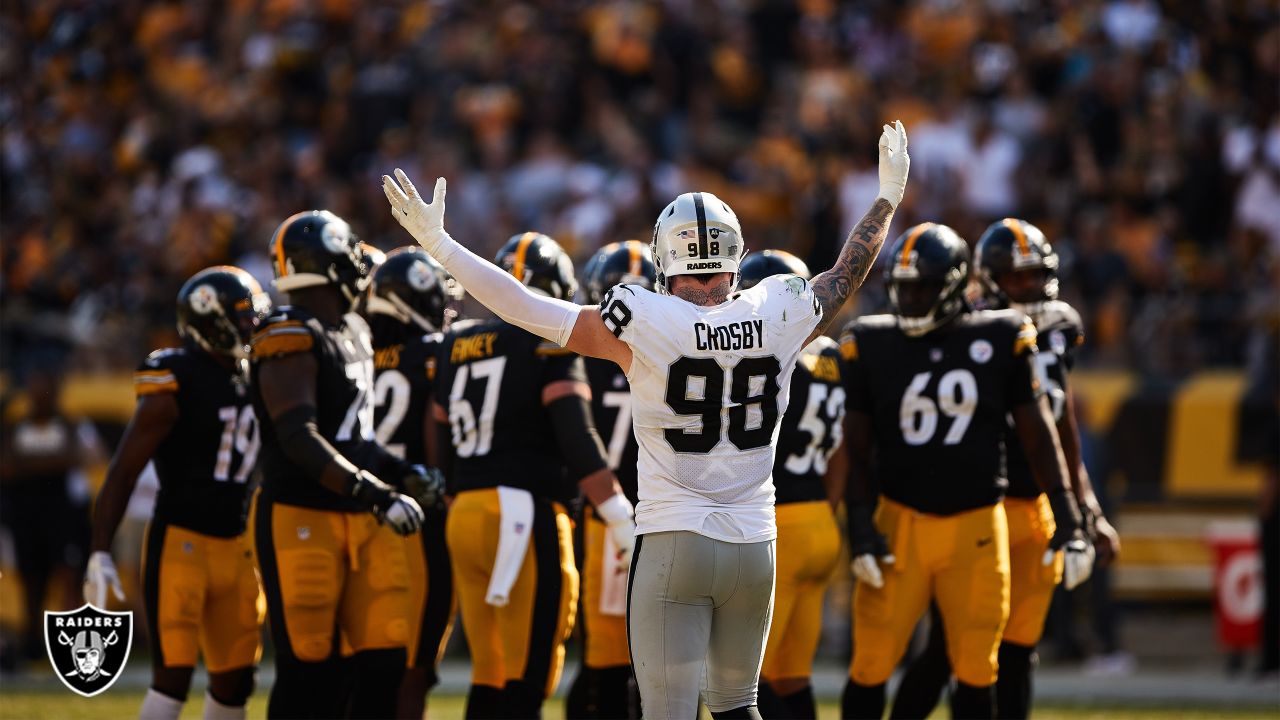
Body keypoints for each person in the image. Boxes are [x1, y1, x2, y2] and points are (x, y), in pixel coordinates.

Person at [382, 120, 911, 720]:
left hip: (674, 540)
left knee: (668, 714)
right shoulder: (780, 308)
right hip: (756, 544)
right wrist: (887, 198)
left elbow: (525, 308)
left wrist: (442, 245)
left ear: (665, 260)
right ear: (734, 258)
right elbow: (847, 272)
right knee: (740, 706)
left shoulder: (646, 318)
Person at [838, 223, 1093, 720]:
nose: (910, 299)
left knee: (979, 666)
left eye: (923, 287)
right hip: (902, 522)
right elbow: (857, 448)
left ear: (954, 284)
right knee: (872, 663)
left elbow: (1043, 430)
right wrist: (862, 529)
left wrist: (1071, 515)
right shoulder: (871, 340)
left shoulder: (1004, 336)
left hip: (980, 523)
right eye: (903, 287)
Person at [429, 231, 630, 719]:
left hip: (466, 513)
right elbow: (576, 436)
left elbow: (436, 428)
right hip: (523, 515)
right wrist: (619, 515)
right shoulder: (546, 339)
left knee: (489, 670)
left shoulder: (455, 343)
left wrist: (455, 492)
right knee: (530, 672)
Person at [249, 210, 441, 719]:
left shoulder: (353, 329)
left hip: (361, 515)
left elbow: (356, 439)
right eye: (350, 253)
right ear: (327, 262)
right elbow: (299, 438)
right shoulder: (287, 333)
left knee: (382, 663)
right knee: (309, 671)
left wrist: (403, 475)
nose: (360, 264)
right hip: (301, 515)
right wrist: (376, 492)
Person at [85, 266, 270, 720]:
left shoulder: (259, 376)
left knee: (235, 682)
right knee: (172, 679)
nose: (251, 326)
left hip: (237, 546)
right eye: (242, 317)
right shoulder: (175, 376)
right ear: (212, 320)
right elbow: (124, 470)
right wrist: (100, 550)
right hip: (181, 544)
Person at [736, 250, 845, 720]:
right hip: (820, 520)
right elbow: (845, 453)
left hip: (777, 523)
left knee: (740, 680)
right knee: (792, 674)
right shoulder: (834, 355)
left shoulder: (773, 353)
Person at [361, 246, 463, 719]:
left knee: (364, 663)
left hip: (361, 513)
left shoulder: (358, 356)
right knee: (415, 666)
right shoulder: (436, 351)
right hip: (418, 519)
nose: (444, 310)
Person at [566, 240, 655, 720]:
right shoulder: (673, 354)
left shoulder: (586, 359)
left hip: (608, 518)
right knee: (663, 661)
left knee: (607, 665)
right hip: (661, 514)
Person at [1, 368, 100, 665]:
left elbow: (75, 457)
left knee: (68, 575)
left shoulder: (69, 425)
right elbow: (7, 466)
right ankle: (33, 642)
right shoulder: (17, 426)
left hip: (61, 514)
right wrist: (50, 462)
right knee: (32, 579)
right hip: (27, 514)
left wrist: (28, 463)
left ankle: (71, 642)